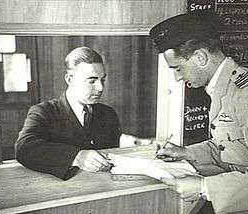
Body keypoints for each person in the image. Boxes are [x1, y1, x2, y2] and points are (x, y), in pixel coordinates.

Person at [149, 14, 248, 214]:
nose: (178, 77)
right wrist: (184, 152)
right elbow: (227, 149)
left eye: (178, 68)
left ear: (200, 57)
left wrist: (203, 187)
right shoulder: (223, 89)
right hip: (237, 207)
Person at [15, 46, 149, 180]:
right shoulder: (44, 112)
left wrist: (136, 143)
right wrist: (76, 157)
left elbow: (111, 145)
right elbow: (24, 148)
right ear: (70, 79)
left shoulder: (108, 114)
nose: (100, 88)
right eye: (92, 81)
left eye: (102, 79)